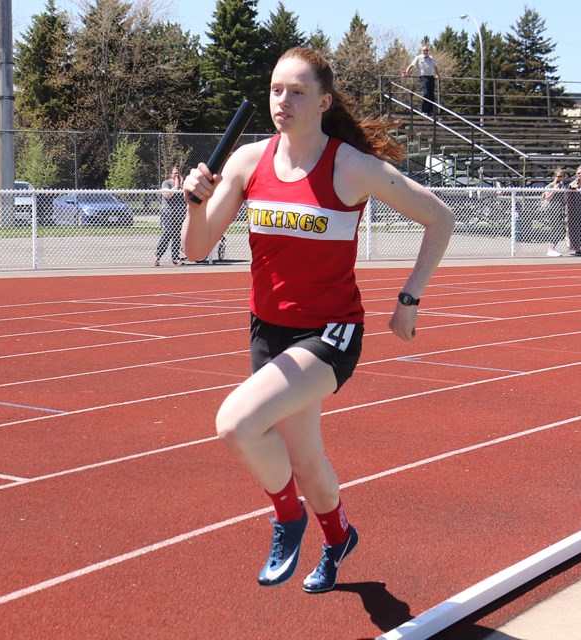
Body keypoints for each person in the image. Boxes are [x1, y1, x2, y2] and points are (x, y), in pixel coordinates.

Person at [183, 47, 453, 593]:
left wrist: (409, 299)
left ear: (324, 102)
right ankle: (338, 537)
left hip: (330, 334)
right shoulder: (247, 162)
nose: (283, 101)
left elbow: (440, 217)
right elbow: (195, 249)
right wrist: (194, 202)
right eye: (277, 89)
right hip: (268, 329)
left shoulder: (349, 166)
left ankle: (288, 519)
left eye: (298, 91)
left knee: (235, 424)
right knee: (306, 459)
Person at [155, 166, 185, 266]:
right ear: (171, 174)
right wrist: (176, 186)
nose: (177, 175)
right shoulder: (167, 183)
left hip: (179, 214)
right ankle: (157, 256)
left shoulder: (182, 185)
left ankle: (175, 257)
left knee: (176, 236)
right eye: (175, 173)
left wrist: (182, 186)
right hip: (167, 214)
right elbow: (166, 195)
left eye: (178, 173)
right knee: (168, 233)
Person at [402, 44, 440, 115]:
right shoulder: (418, 58)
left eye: (426, 50)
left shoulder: (431, 58)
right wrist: (406, 73)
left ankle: (430, 111)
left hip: (431, 77)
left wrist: (438, 75)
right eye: (424, 50)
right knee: (426, 93)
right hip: (423, 77)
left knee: (431, 95)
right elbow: (411, 65)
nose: (425, 51)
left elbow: (435, 67)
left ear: (428, 51)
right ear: (421, 51)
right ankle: (424, 111)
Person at [540, 168, 568, 257]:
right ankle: (550, 249)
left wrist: (564, 191)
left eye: (561, 176)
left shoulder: (563, 186)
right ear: (554, 176)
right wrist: (554, 189)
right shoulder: (550, 185)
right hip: (551, 210)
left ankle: (553, 248)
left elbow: (565, 200)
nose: (559, 178)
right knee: (554, 229)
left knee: (559, 230)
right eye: (558, 176)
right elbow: (547, 197)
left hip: (560, 210)